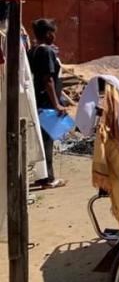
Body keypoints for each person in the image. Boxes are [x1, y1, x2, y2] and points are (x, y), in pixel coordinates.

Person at [27, 18, 67, 189]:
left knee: (41, 139)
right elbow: (48, 79)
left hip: (36, 99)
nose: (55, 36)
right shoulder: (47, 52)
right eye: (54, 33)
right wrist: (57, 103)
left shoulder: (32, 51)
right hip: (47, 102)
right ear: (49, 34)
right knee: (48, 139)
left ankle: (42, 176)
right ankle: (48, 179)